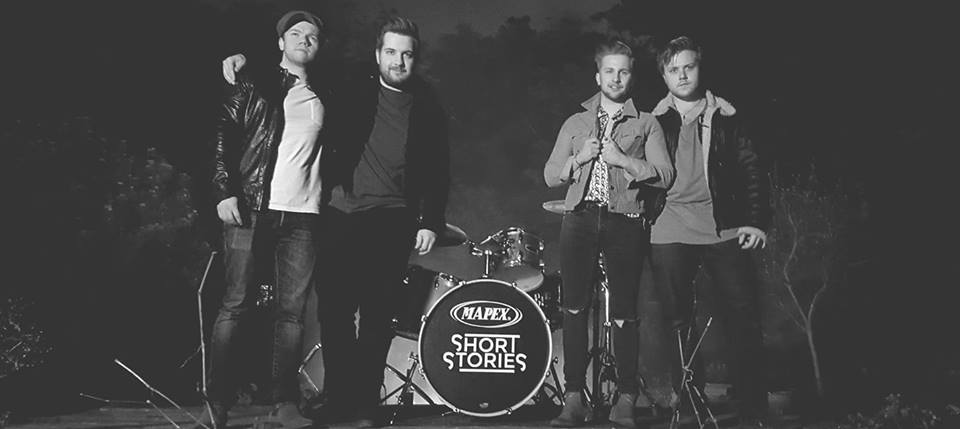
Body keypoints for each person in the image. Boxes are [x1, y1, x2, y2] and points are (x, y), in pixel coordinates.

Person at [223, 16, 449, 428]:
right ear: (378, 54)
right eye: (392, 52)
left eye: (407, 54)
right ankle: (340, 399)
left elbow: (438, 169)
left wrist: (430, 220)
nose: (399, 61)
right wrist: (247, 59)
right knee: (335, 314)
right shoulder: (351, 85)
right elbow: (297, 56)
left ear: (416, 59)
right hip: (340, 215)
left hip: (393, 220)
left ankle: (364, 405)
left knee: (378, 318)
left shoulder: (428, 106)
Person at [203, 10, 330, 429]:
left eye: (312, 36)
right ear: (280, 42)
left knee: (291, 313)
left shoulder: (326, 93)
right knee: (235, 303)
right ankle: (217, 401)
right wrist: (224, 191)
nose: (304, 40)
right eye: (295, 33)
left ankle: (285, 404)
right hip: (253, 208)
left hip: (303, 215)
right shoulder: (254, 82)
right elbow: (224, 132)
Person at [543, 39, 674, 428]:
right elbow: (550, 175)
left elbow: (665, 175)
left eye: (624, 71)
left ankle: (626, 398)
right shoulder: (575, 122)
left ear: (631, 76)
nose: (616, 78)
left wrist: (624, 161)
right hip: (580, 219)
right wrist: (577, 158)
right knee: (574, 308)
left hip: (626, 220)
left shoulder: (646, 122)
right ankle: (573, 399)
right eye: (609, 71)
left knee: (624, 313)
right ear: (598, 75)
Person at [648, 36, 772, 426]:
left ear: (700, 68)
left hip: (724, 226)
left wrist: (755, 219)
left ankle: (752, 408)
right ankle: (691, 403)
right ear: (664, 76)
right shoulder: (654, 120)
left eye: (689, 66)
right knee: (676, 318)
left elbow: (753, 168)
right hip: (669, 226)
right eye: (673, 69)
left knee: (743, 316)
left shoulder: (729, 116)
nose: (682, 75)